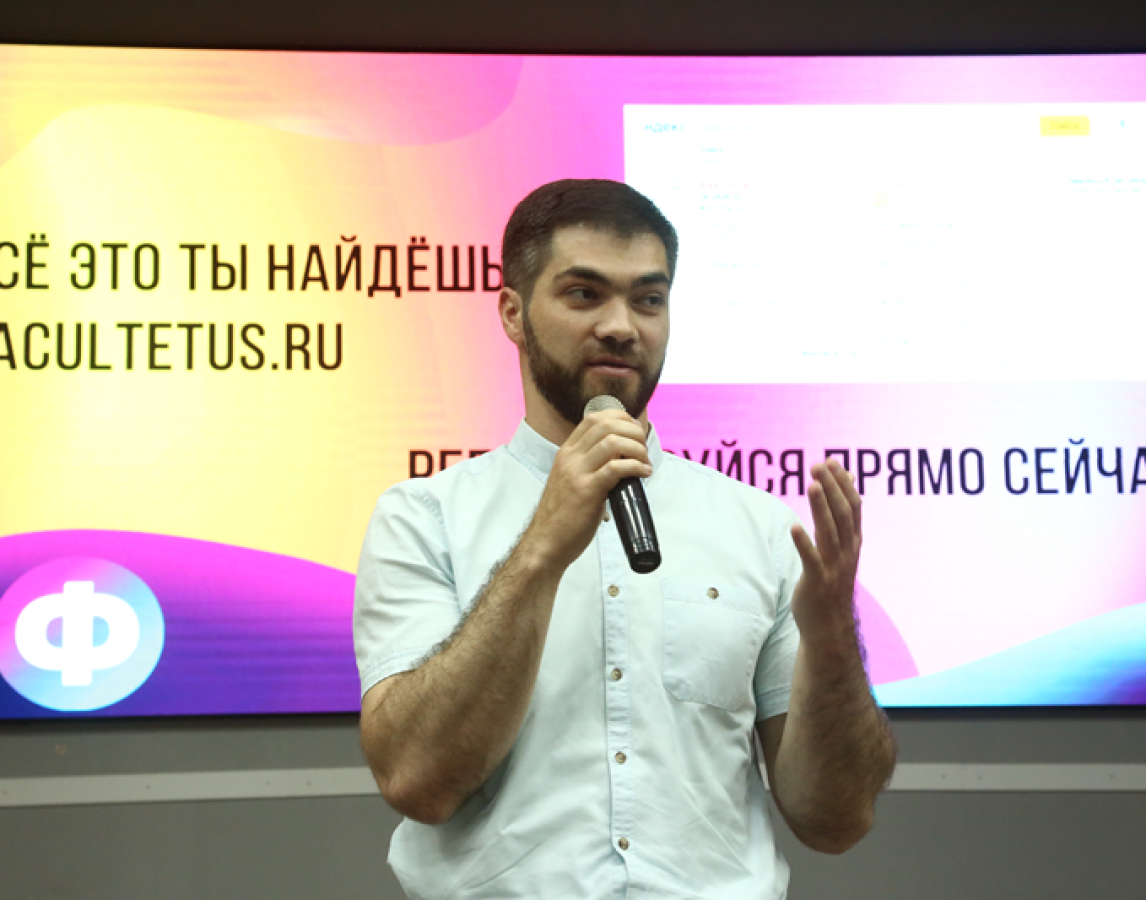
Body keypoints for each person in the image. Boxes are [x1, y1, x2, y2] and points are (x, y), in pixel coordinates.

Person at [353, 179, 897, 899]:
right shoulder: (424, 518)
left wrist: (832, 641)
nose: (621, 326)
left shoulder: (759, 527)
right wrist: (542, 547)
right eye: (585, 294)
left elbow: (835, 820)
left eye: (648, 299)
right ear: (513, 313)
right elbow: (416, 780)